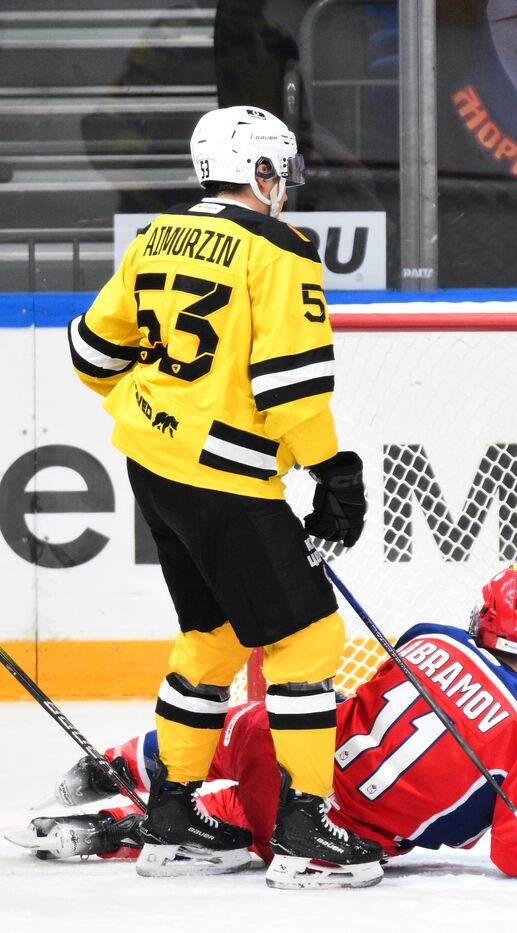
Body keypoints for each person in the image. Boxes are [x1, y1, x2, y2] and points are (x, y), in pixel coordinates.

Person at [66, 105, 379, 885]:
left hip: (153, 464)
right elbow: (292, 390)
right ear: (261, 172)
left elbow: (91, 354)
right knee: (309, 639)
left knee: (211, 634)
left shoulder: (157, 234)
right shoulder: (280, 249)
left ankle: (172, 819)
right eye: (281, 169)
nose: (286, 185)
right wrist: (334, 474)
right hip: (226, 481)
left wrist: (159, 405)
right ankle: (304, 834)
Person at [8, 570, 517, 883]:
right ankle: (108, 832)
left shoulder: (428, 637)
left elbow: (360, 704)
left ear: (478, 619)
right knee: (248, 819)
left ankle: (112, 767)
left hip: (290, 768)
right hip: (328, 836)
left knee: (252, 727)